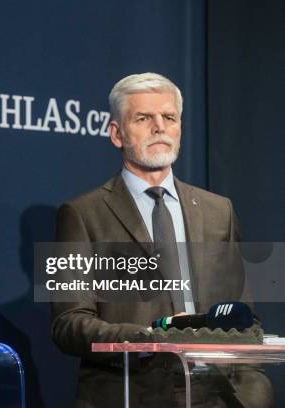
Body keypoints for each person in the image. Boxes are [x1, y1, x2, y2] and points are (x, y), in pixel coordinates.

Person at [51, 73, 273, 407]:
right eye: (143, 118)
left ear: (179, 128)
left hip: (214, 395)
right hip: (133, 392)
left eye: (169, 117)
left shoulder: (219, 211)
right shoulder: (82, 214)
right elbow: (68, 325)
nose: (159, 127)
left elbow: (244, 319)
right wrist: (151, 340)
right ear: (116, 133)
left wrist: (253, 394)